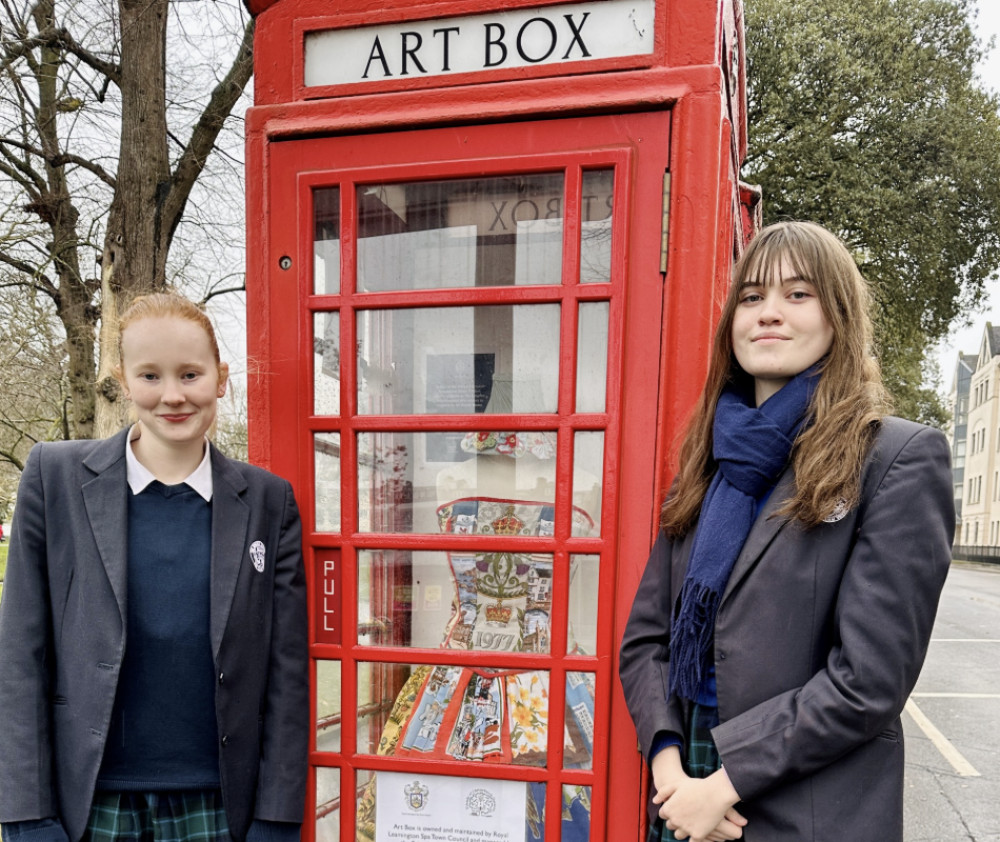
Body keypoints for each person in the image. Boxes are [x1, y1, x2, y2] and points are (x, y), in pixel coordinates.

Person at [619, 221, 954, 842]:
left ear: (839, 317)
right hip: (683, 793)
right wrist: (673, 774)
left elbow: (868, 681)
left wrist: (721, 785)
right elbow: (646, 641)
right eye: (751, 297)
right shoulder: (708, 461)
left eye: (798, 295)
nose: (768, 313)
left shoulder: (896, 458)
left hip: (802, 811)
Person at [0, 294, 309, 842]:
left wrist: (277, 816)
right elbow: (20, 656)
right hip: (87, 804)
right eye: (150, 375)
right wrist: (26, 814)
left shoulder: (268, 500)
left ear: (220, 378)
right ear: (123, 381)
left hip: (221, 804)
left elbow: (286, 671)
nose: (172, 395)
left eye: (190, 374)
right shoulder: (55, 478)